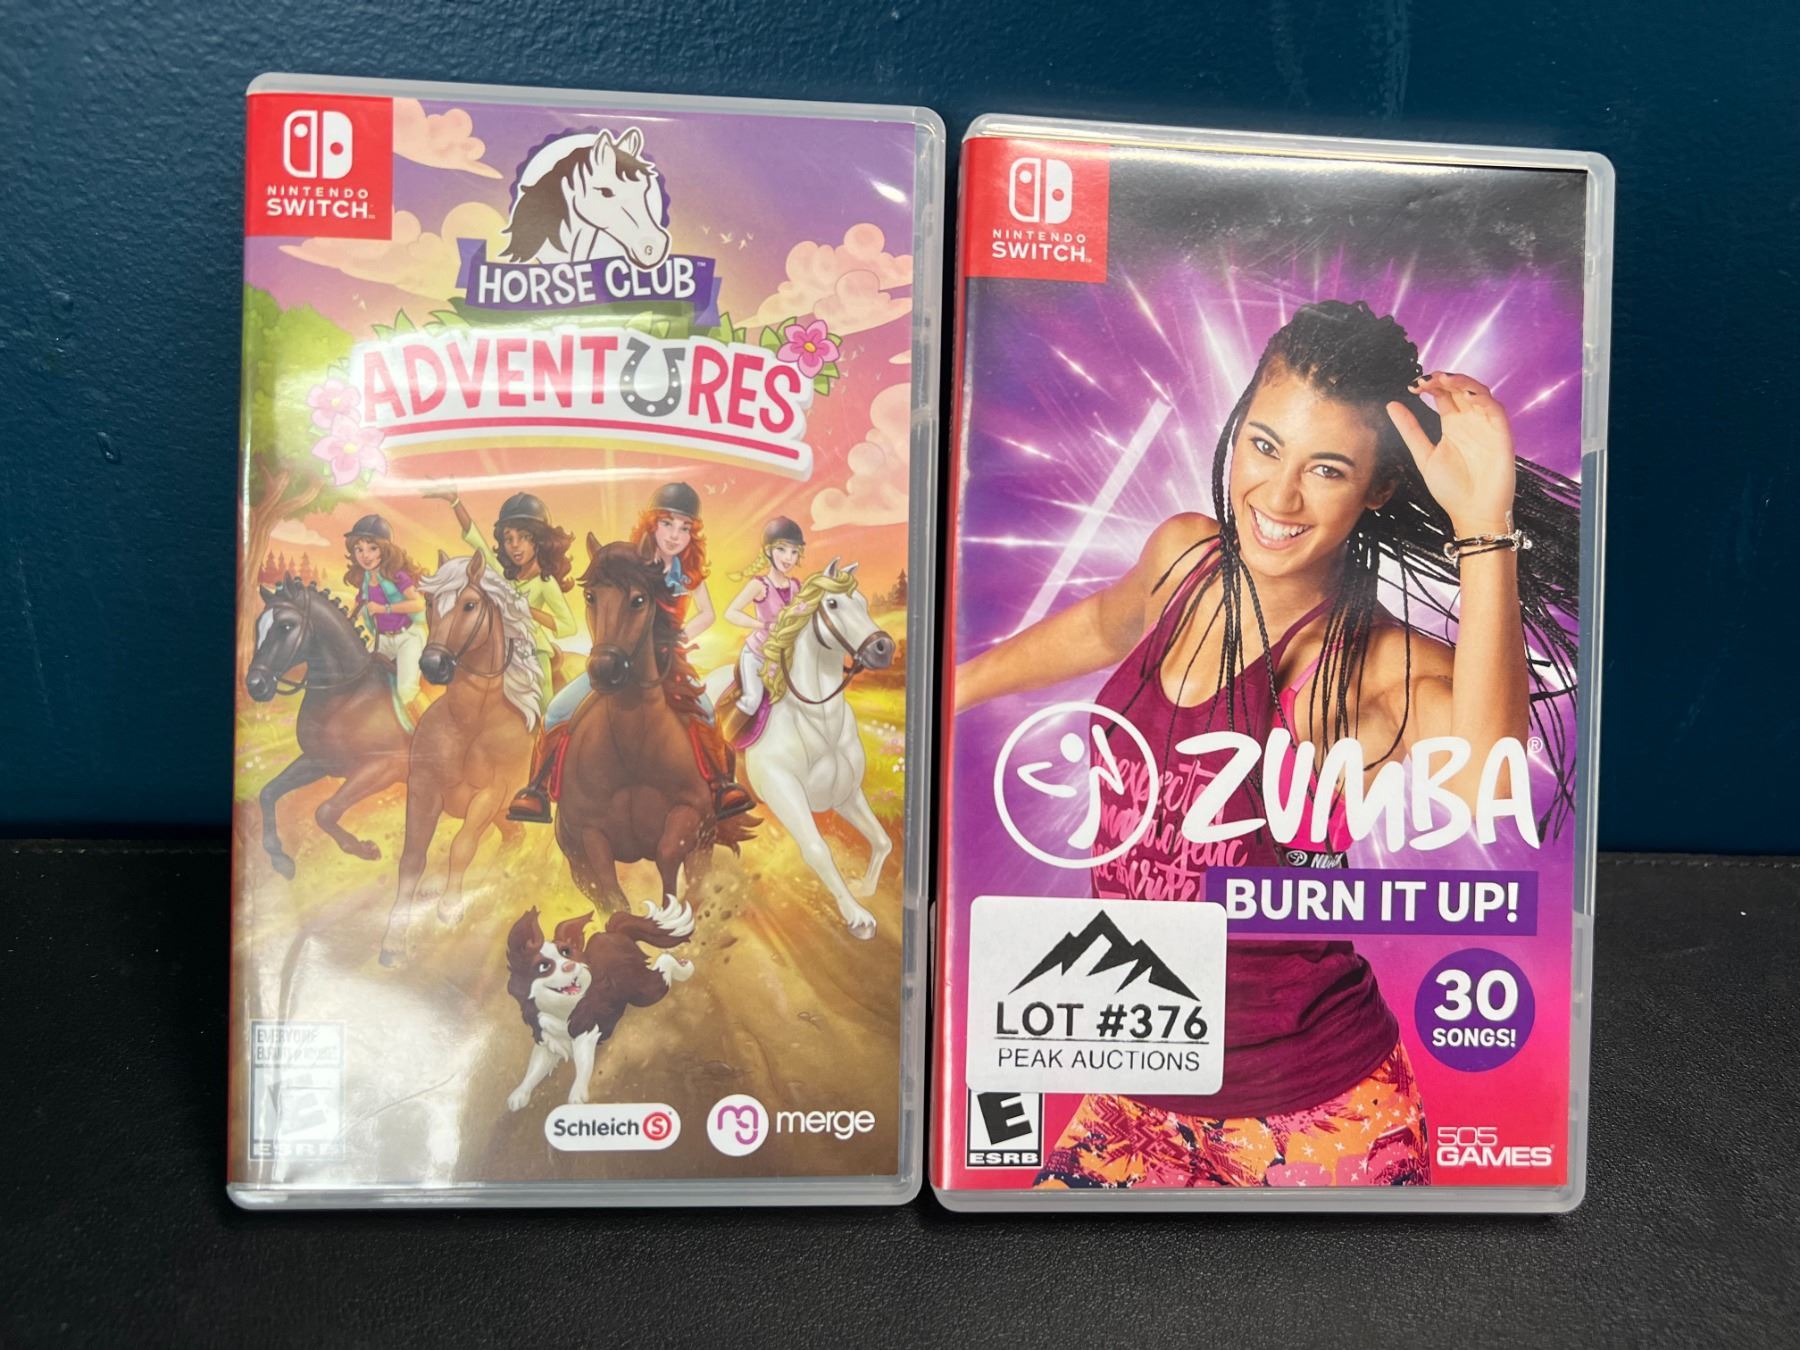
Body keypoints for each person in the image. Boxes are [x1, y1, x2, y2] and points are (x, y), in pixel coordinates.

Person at [954, 300, 1580, 1189]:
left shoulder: (1370, 665)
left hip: (1317, 1109)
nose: (1278, 498)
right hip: (1141, 1071)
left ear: (1378, 489)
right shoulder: (1183, 560)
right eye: (1264, 445)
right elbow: (1105, 623)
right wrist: (948, 691)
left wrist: (1484, 527)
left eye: (1326, 469)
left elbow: (1489, 775)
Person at [508, 482, 755, 824]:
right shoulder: (632, 564)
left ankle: (722, 785)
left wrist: (678, 636)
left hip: (670, 662)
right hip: (619, 658)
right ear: (651, 525)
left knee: (706, 713)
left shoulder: (687, 574)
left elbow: (708, 614)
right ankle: (536, 789)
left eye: (684, 528)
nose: (675, 536)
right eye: (667, 524)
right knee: (558, 710)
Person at [424, 486, 578, 698]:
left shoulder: (545, 582)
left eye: (523, 537)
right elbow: (476, 540)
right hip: (499, 648)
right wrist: (455, 502)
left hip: (532, 651)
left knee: (543, 704)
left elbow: (569, 626)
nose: (515, 545)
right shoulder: (503, 573)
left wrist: (529, 611)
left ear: (539, 540)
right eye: (508, 538)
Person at [720, 516, 807, 737]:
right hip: (758, 655)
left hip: (786, 659)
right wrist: (763, 624)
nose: (788, 558)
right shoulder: (759, 585)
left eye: (794, 552)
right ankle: (721, 741)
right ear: (768, 551)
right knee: (752, 700)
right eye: (782, 550)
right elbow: (731, 613)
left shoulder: (796, 586)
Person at [342, 514, 427, 720]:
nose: (365, 556)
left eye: (372, 548)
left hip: (408, 637)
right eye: (359, 549)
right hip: (383, 640)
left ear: (384, 549)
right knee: (357, 677)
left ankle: (428, 727)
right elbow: (359, 606)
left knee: (406, 690)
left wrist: (384, 609)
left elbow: (418, 604)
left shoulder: (397, 576)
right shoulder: (364, 579)